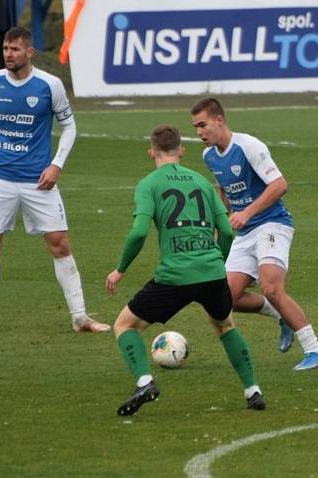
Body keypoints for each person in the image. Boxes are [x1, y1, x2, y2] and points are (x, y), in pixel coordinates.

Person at [0, 26, 109, 335]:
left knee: (60, 244)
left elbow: (70, 127)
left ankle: (80, 318)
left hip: (39, 181)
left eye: (15, 49)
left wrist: (56, 165)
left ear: (29, 52)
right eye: (6, 49)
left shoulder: (49, 85)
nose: (9, 54)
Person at [106, 125, 265, 416]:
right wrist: (219, 261)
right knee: (225, 325)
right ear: (181, 150)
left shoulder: (148, 184)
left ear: (151, 152)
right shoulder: (203, 183)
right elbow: (227, 231)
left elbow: (139, 232)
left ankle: (144, 382)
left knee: (124, 326)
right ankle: (253, 390)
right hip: (212, 273)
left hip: (174, 276)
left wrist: (120, 270)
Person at [190, 97, 318, 371]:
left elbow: (279, 185)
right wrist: (219, 228)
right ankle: (280, 316)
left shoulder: (249, 146)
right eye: (195, 127)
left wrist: (247, 213)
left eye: (203, 125)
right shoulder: (209, 156)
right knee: (224, 299)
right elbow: (224, 192)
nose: (199, 132)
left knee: (271, 287)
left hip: (273, 224)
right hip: (245, 233)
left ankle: (315, 352)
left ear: (220, 120)